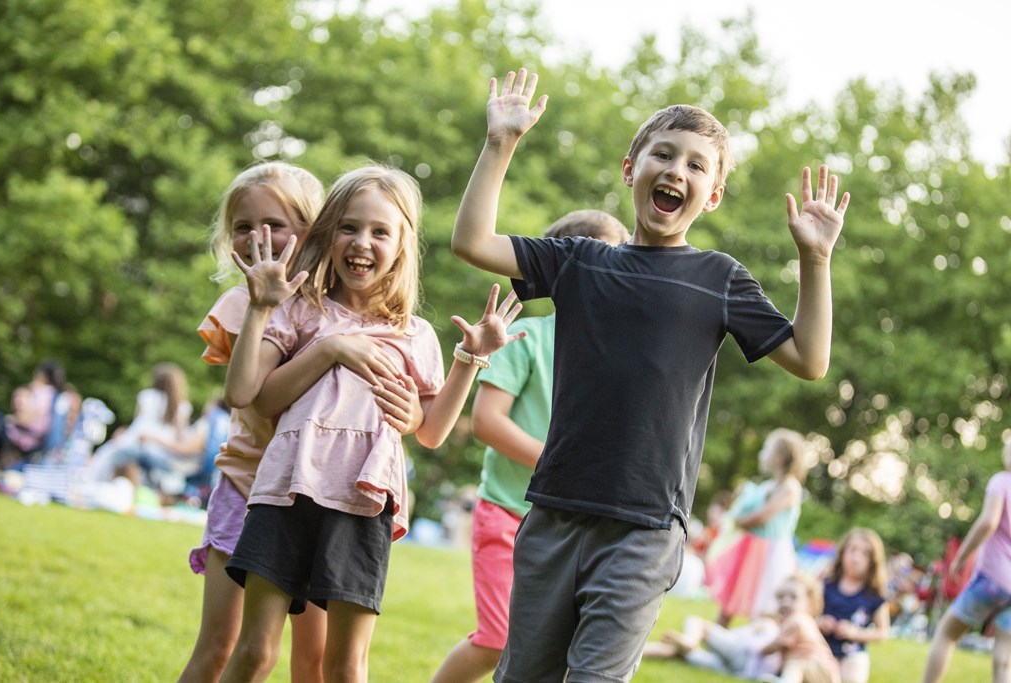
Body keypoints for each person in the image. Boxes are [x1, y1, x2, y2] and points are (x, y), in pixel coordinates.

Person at [450, 67, 850, 682]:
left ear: (712, 194)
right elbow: (473, 241)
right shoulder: (579, 261)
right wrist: (500, 142)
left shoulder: (720, 279)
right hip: (555, 511)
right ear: (630, 169)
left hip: (645, 528)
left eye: (696, 166)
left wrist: (815, 260)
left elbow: (809, 360)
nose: (676, 172)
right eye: (663, 155)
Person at [220, 163, 527, 683]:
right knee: (254, 652)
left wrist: (468, 361)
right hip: (283, 494)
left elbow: (429, 431)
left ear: (403, 243)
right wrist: (265, 312)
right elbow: (246, 394)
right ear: (328, 233)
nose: (362, 242)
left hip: (362, 505)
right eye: (348, 227)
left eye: (380, 231)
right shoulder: (300, 311)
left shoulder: (415, 335)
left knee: (345, 666)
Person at [430, 210, 629, 683]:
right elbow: (486, 421)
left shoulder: (621, 356)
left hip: (573, 524)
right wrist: (560, 463)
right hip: (506, 513)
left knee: (555, 650)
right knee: (498, 638)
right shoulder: (528, 340)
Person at [179, 161, 343, 683]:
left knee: (311, 662)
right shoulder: (240, 305)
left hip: (315, 492)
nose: (259, 238)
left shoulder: (338, 310)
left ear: (311, 229)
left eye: (275, 224)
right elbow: (247, 397)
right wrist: (262, 309)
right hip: (248, 486)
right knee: (224, 649)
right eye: (244, 227)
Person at [921, 436, 1011, 683]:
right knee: (1004, 659)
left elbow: (989, 522)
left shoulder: (1002, 482)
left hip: (994, 579)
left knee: (946, 633)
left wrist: (961, 556)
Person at [705, 429, 809, 627]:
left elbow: (762, 516)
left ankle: (758, 643)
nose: (762, 453)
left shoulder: (790, 487)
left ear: (779, 457)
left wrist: (736, 521)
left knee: (766, 600)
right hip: (751, 547)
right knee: (734, 594)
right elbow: (752, 506)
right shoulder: (768, 486)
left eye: (766, 449)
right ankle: (716, 633)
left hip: (772, 552)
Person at [81, 362, 193, 483]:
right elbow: (180, 438)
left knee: (107, 455)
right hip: (163, 453)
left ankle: (94, 483)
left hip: (139, 444)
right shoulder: (183, 407)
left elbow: (137, 425)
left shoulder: (147, 397)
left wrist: (125, 436)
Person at [818, 527, 890, 683]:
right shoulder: (826, 585)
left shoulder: (874, 595)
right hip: (821, 647)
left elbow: (882, 632)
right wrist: (819, 622)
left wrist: (855, 632)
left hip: (853, 653)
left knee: (854, 673)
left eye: (865, 554)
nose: (856, 558)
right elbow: (807, 614)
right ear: (842, 553)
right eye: (852, 550)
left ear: (873, 562)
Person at [642, 607, 782, 679]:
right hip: (739, 672)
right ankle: (641, 652)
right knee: (679, 652)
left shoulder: (769, 624)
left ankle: (690, 640)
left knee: (696, 622)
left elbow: (735, 640)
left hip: (743, 654)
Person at [760, 574, 842, 683]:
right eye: (781, 597)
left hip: (817, 669)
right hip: (827, 673)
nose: (785, 602)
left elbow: (776, 645)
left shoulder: (796, 620)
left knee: (794, 665)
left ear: (810, 604)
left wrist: (761, 650)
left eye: (793, 597)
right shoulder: (806, 620)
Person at [0, 359, 66, 469]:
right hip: (40, 442)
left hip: (28, 438)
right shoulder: (56, 395)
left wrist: (9, 420)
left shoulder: (42, 392)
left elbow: (30, 416)